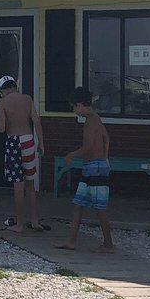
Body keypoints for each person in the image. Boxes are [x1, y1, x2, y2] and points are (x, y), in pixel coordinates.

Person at [54, 86, 114, 253]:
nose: (74, 111)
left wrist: (71, 155)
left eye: (74, 107)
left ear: (80, 104)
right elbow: (106, 136)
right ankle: (71, 241)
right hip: (91, 167)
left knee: (99, 209)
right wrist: (106, 155)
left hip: (95, 168)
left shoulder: (91, 122)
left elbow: (87, 147)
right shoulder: (96, 120)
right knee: (78, 204)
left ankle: (108, 244)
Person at [0, 75, 47, 233]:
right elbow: (36, 121)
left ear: (3, 90)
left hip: (14, 142)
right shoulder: (27, 99)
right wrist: (41, 143)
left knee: (18, 184)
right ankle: (35, 221)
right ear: (15, 86)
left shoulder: (2, 102)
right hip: (29, 140)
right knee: (30, 183)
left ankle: (20, 224)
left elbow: (2, 128)